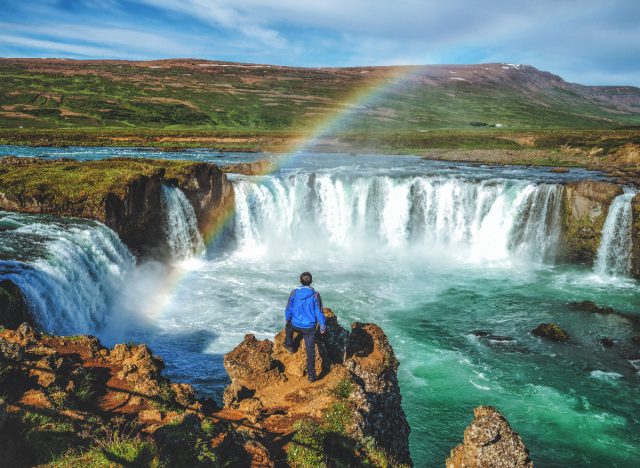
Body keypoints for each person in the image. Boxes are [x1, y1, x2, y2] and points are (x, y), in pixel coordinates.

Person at [284, 271, 326, 382]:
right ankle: (311, 376)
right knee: (310, 352)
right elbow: (319, 312)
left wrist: (288, 318)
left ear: (300, 281)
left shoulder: (294, 293)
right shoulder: (315, 295)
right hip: (309, 328)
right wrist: (322, 326)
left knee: (288, 326)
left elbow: (289, 308)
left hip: (295, 324)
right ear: (311, 281)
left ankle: (289, 345)